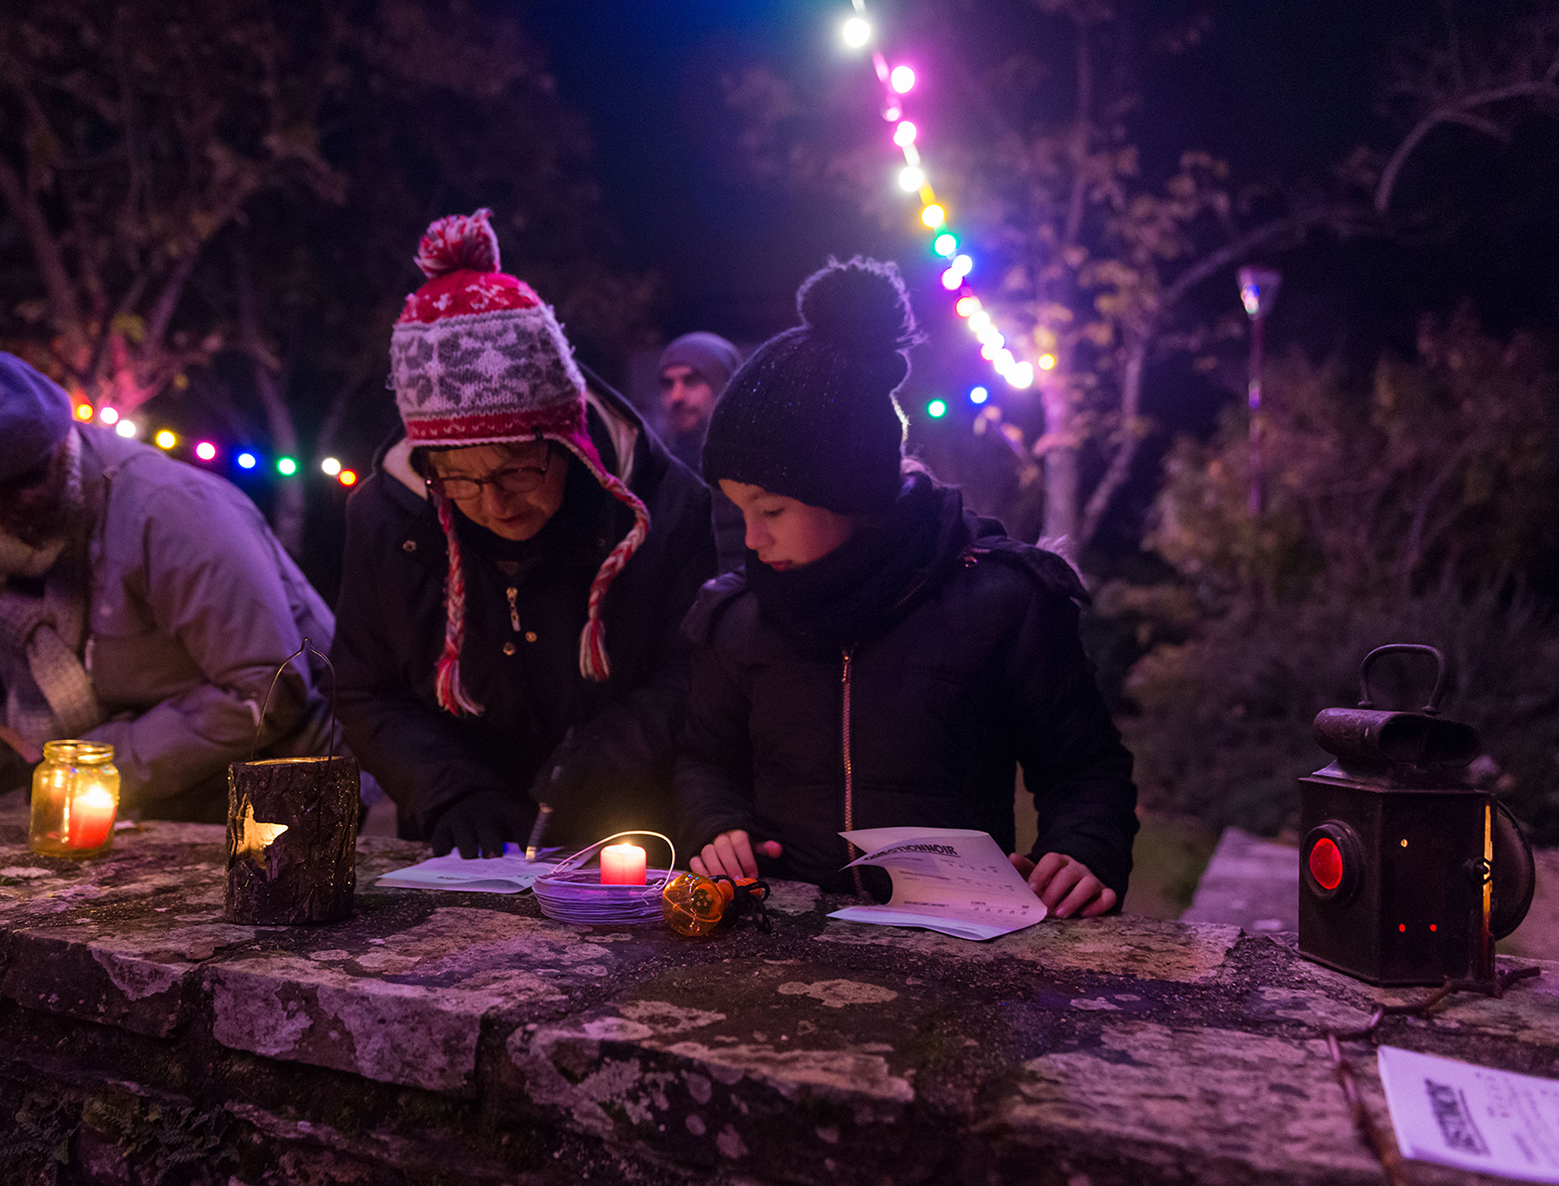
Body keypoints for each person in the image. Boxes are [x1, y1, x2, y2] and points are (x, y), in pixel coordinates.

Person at [677, 258, 1139, 918]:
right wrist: (714, 826)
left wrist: (1084, 850)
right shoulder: (740, 618)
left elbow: (1086, 770)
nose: (751, 540)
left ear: (849, 489)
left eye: (771, 510)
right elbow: (704, 760)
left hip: (956, 955)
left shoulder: (1002, 602)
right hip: (780, 950)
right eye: (738, 510)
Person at [333, 209, 715, 858]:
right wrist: (448, 788)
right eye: (460, 479)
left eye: (517, 470)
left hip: (632, 838)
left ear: (568, 441)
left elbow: (696, 670)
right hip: (461, 854)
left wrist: (605, 758)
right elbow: (363, 689)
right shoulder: (388, 517)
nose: (496, 504)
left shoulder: (662, 505)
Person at [0, 349, 339, 820]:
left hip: (285, 811)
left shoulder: (171, 511)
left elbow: (266, 690)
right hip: (147, 806)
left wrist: (80, 765)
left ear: (23, 489)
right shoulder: (6, 548)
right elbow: (53, 708)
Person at [657, 331, 747, 573]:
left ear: (725, 384)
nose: (676, 396)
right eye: (668, 384)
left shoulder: (756, 463)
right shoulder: (659, 468)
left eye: (692, 380)